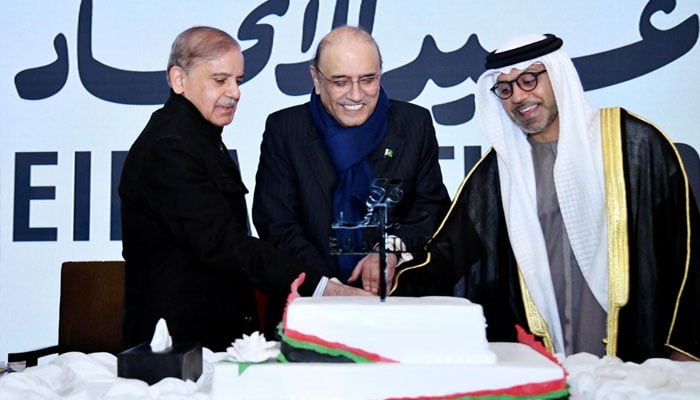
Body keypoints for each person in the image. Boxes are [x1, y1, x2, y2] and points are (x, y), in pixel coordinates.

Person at [394, 33, 699, 362]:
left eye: (528, 80)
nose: (519, 97)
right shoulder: (497, 174)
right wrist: (383, 292)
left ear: (558, 76)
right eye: (506, 89)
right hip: (545, 358)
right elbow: (448, 260)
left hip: (637, 356)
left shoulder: (634, 146)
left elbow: (685, 252)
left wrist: (687, 348)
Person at [119, 26, 368, 352]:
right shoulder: (169, 149)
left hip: (210, 345)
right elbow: (225, 245)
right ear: (179, 80)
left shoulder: (201, 138)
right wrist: (320, 286)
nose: (234, 92)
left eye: (238, 80)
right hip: (176, 355)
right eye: (220, 80)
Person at [252, 26, 450, 336]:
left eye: (368, 80)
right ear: (316, 80)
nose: (356, 95)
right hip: (308, 313)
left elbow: (432, 209)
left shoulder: (415, 124)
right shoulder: (285, 129)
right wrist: (328, 288)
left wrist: (389, 250)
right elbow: (276, 224)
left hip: (396, 311)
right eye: (340, 82)